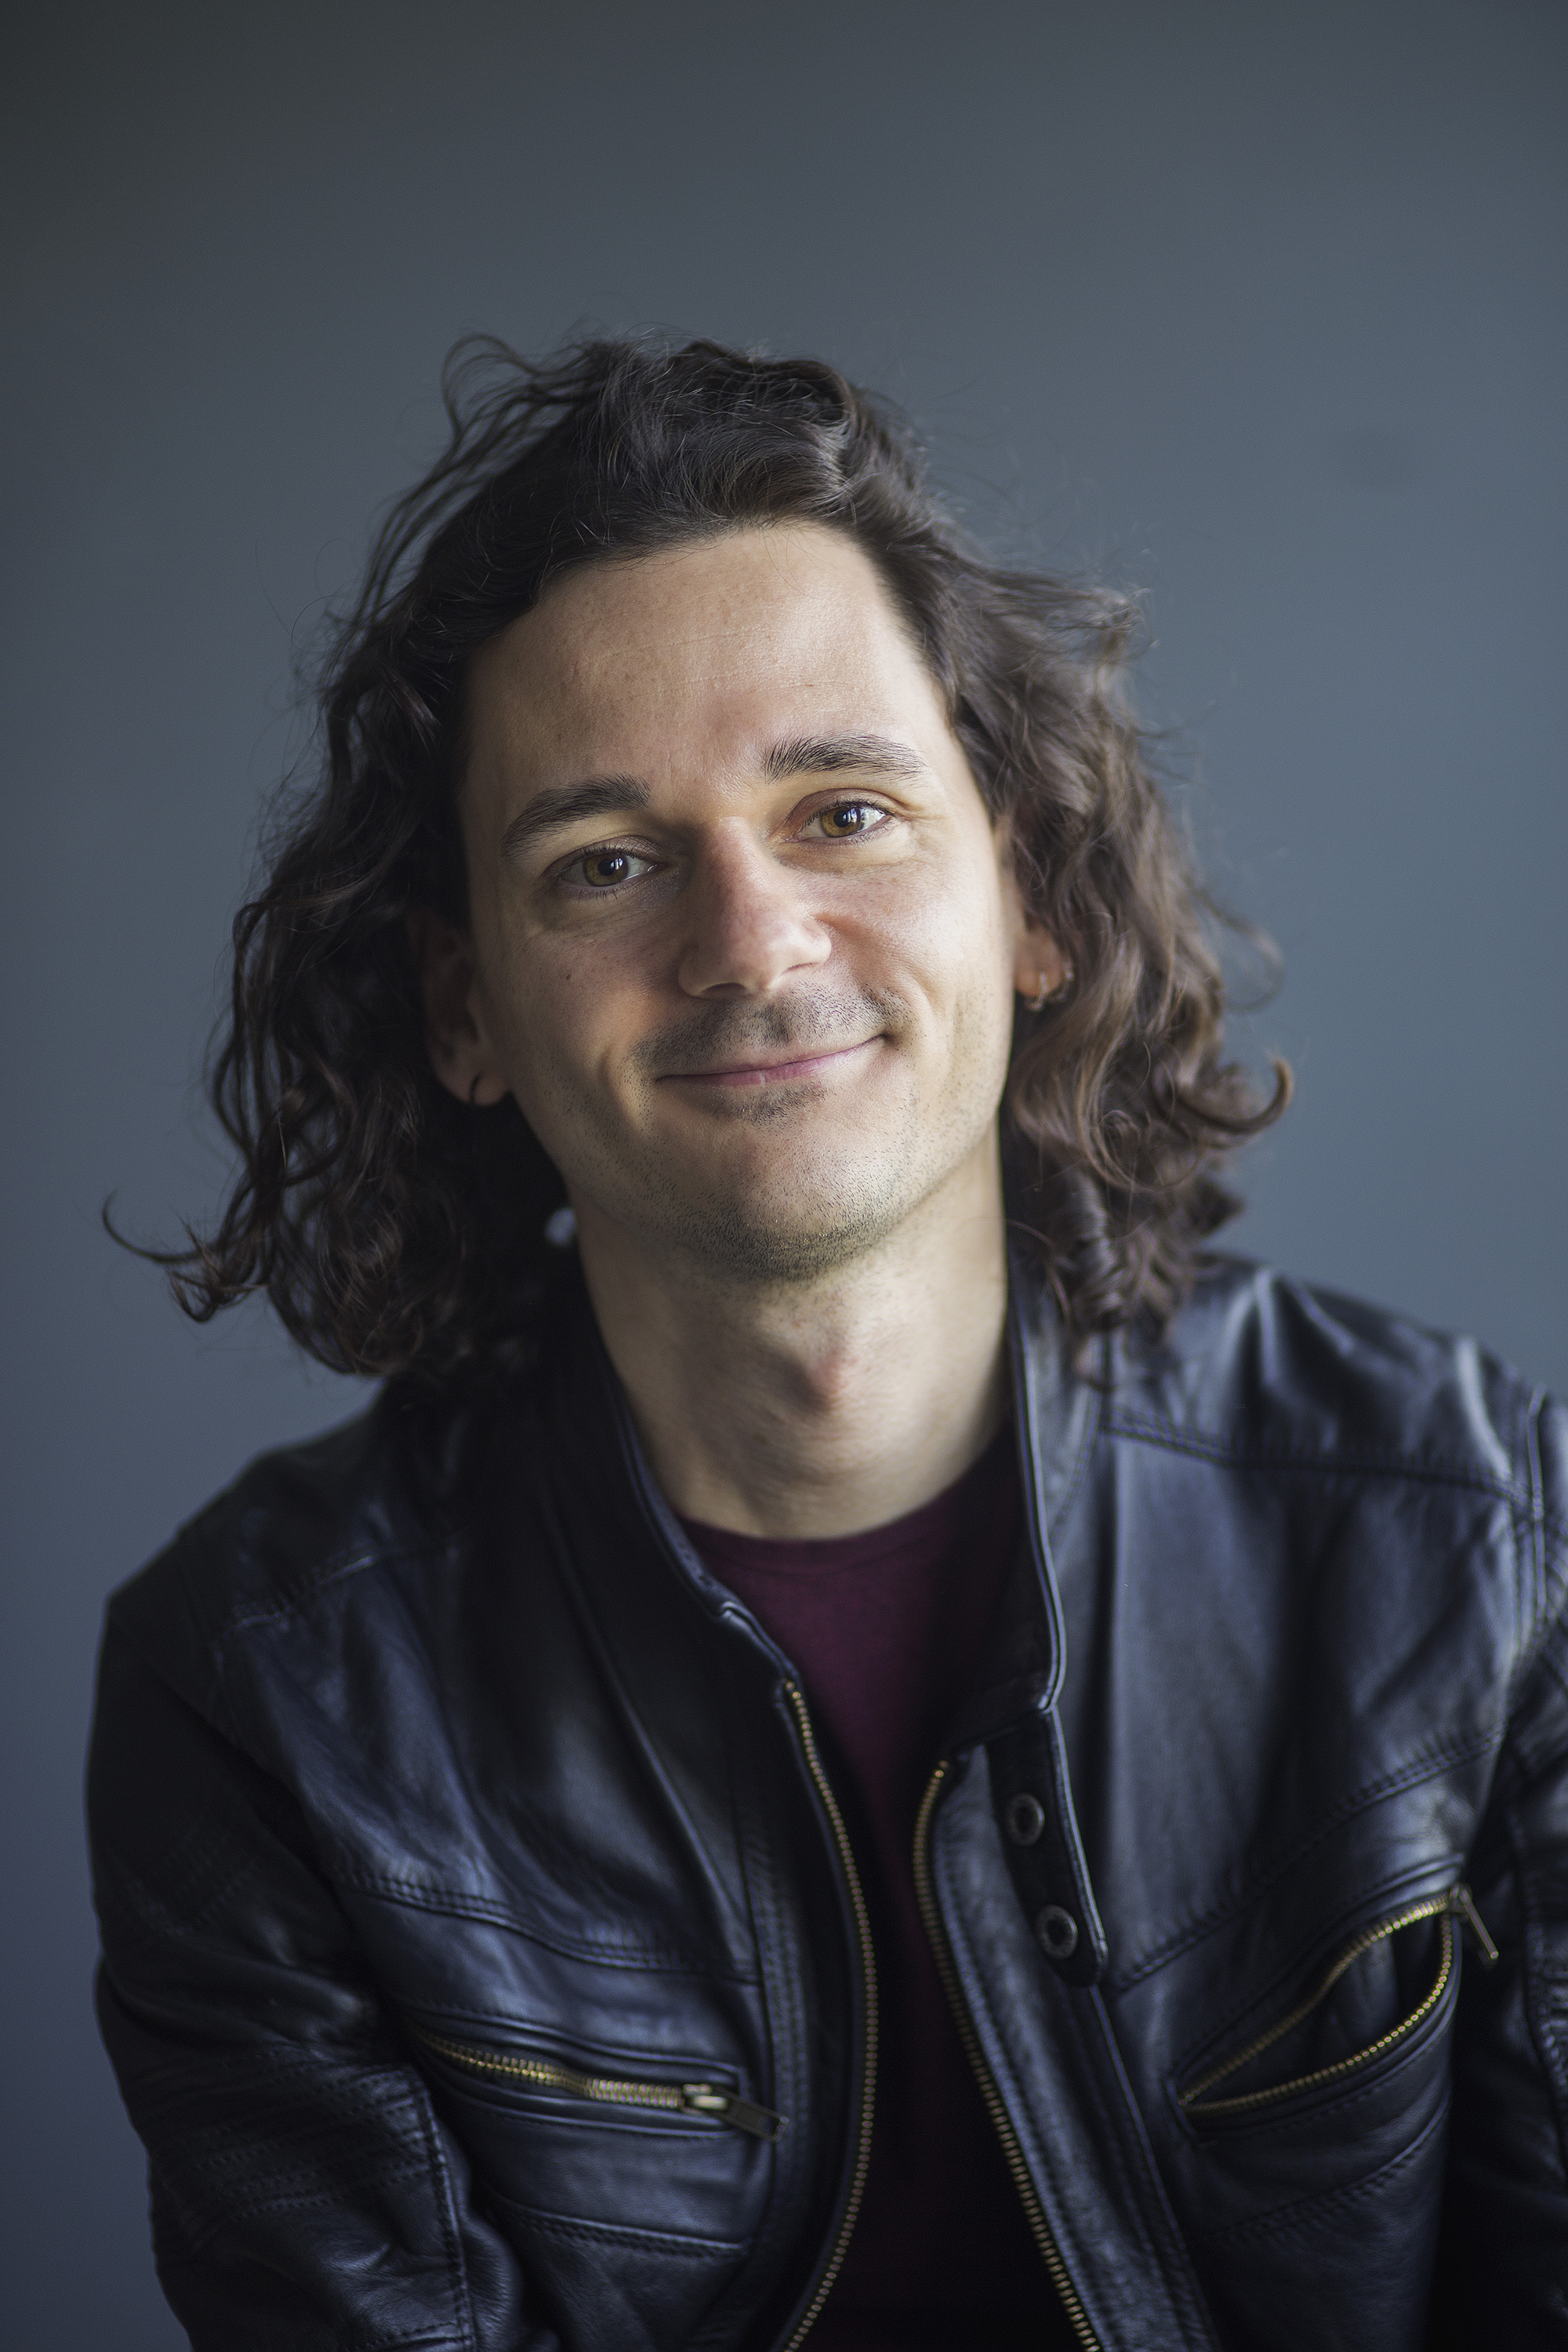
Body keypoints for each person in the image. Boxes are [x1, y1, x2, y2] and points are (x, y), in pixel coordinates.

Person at [88, 336, 1566, 2352]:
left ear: (1028, 901)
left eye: (844, 811)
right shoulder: (266, 1694)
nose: (751, 943)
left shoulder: (1474, 1538)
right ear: (463, 1009)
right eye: (606, 865)